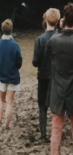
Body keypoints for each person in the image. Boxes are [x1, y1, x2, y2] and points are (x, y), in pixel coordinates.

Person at [47, 3, 73, 155]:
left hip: (57, 90)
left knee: (56, 130)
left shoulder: (54, 40)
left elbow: (49, 61)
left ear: (64, 19)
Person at [32, 8, 60, 142]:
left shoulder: (40, 39)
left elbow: (35, 62)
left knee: (42, 106)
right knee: (56, 107)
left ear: (45, 20)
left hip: (43, 77)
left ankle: (43, 134)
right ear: (58, 21)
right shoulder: (59, 38)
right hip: (56, 77)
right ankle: (56, 133)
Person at [0, 19, 22, 129]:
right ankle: (6, 125)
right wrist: (15, 67)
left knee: (1, 100)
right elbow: (19, 62)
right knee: (10, 102)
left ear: (2, 30)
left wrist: (1, 64)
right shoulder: (15, 45)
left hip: (1, 75)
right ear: (11, 30)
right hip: (13, 76)